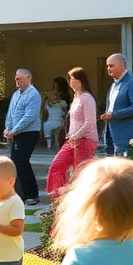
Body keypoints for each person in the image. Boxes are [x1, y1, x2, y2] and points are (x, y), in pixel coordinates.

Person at [47, 67, 99, 198]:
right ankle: (59, 197)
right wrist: (71, 134)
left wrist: (77, 135)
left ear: (81, 81)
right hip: (73, 140)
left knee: (80, 172)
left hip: (85, 140)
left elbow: (90, 122)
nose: (71, 82)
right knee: (57, 165)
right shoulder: (76, 97)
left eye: (74, 79)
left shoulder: (87, 98)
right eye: (70, 79)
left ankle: (82, 199)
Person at [3, 68, 43, 205]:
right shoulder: (16, 95)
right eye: (16, 79)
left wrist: (14, 130)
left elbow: (29, 116)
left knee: (21, 162)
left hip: (28, 134)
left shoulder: (33, 95)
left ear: (28, 78)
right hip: (16, 133)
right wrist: (8, 129)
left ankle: (32, 194)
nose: (17, 81)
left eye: (19, 78)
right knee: (15, 163)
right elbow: (11, 113)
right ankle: (20, 194)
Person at [101, 53, 133, 157]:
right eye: (107, 66)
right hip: (112, 136)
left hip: (127, 138)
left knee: (127, 167)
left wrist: (114, 114)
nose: (108, 69)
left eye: (111, 66)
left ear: (122, 65)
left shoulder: (132, 83)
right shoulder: (114, 85)